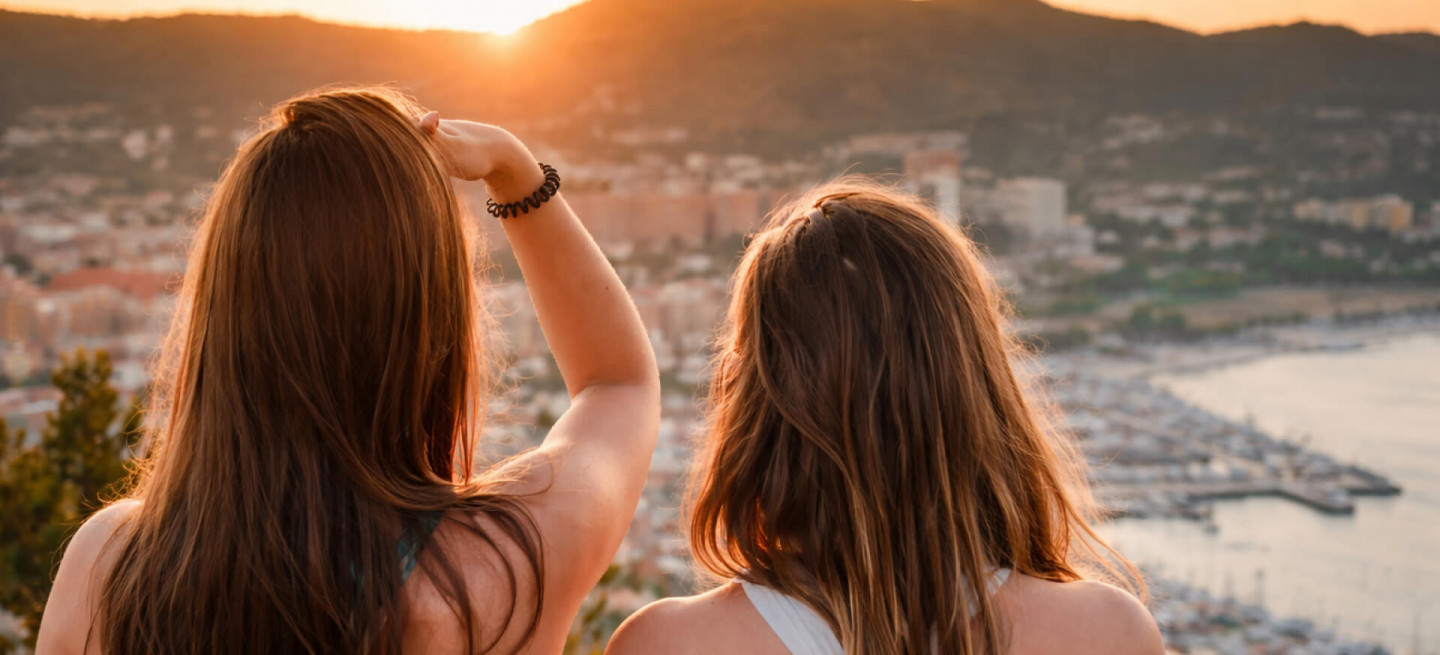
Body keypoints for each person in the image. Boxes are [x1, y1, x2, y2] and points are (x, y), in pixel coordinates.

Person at [35, 87, 659, 654]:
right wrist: (514, 169)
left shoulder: (108, 568)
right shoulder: (492, 577)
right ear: (427, 320)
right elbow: (618, 382)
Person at [607, 182, 1164, 655]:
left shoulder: (672, 643)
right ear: (979, 385)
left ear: (749, 399)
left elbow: (608, 391)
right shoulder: (1103, 632)